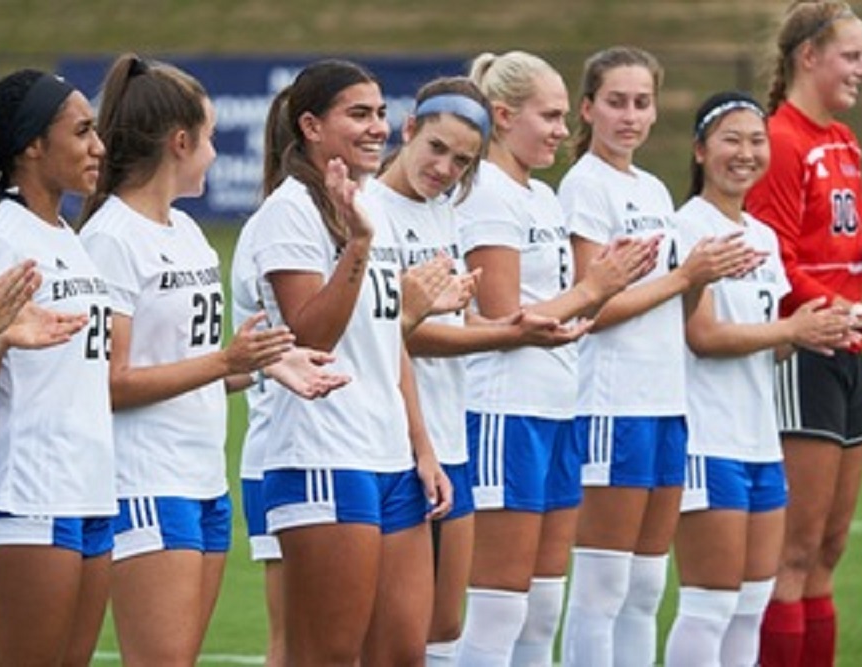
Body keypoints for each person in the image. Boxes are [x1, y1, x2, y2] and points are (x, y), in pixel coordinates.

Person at [77, 54, 310, 666]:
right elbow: (106, 383)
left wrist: (264, 365)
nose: (213, 153)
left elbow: (191, 365)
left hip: (203, 478)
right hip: (146, 481)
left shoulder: (185, 231)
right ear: (179, 142)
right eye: (209, 138)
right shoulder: (110, 238)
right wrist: (224, 361)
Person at [744, 3, 862, 665]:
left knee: (829, 549)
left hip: (847, 350)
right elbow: (775, 264)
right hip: (804, 351)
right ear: (809, 57)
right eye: (852, 56)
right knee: (793, 553)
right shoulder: (780, 140)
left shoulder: (844, 141)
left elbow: (837, 256)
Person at [372, 75, 590, 665]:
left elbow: (449, 319)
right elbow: (389, 333)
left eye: (462, 160)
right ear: (409, 129)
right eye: (437, 148)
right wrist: (509, 332)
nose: (445, 168)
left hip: (450, 436)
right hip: (390, 443)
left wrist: (498, 325)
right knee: (391, 638)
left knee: (446, 629)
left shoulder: (445, 213)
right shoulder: (370, 211)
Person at [242, 59, 454, 665]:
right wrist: (357, 245)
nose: (377, 127)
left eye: (381, 113)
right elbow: (312, 335)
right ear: (311, 126)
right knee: (328, 654)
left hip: (389, 454)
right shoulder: (290, 211)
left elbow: (389, 342)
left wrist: (422, 446)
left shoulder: (369, 204)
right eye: (358, 114)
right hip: (322, 453)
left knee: (403, 652)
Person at [556, 47, 759, 667]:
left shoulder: (652, 187)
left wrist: (707, 274)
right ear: (587, 109)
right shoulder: (584, 185)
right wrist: (685, 276)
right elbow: (589, 306)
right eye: (615, 102)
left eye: (641, 103)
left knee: (645, 589)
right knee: (602, 589)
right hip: (611, 405)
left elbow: (673, 297)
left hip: (666, 403)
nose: (630, 116)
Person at [453, 50, 656, 666]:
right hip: (503, 411)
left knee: (542, 606)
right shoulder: (486, 193)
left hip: (556, 410)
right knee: (498, 606)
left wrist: (598, 287)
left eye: (564, 116)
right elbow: (504, 316)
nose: (562, 131)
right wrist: (599, 287)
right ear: (502, 115)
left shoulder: (540, 194)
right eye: (549, 116)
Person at [662, 90, 851, 667]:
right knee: (709, 604)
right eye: (731, 140)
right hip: (707, 439)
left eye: (756, 141)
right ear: (700, 151)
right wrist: (791, 330)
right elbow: (703, 335)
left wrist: (806, 333)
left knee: (750, 605)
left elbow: (770, 343)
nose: (745, 153)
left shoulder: (763, 237)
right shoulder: (687, 228)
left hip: (760, 441)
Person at [0, 69, 114, 666]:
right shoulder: (1, 242)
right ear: (32, 145)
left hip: (90, 489)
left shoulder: (64, 234)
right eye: (81, 132)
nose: (97, 147)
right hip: (29, 492)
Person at [231, 86, 353, 667]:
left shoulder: (330, 217)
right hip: (290, 449)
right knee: (298, 644)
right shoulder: (284, 221)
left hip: (327, 445)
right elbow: (309, 337)